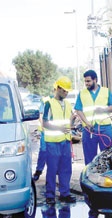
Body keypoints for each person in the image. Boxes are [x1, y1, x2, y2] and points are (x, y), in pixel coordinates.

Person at [43, 76, 76, 205]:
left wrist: (73, 120)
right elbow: (45, 123)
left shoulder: (68, 104)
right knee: (52, 169)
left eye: (67, 91)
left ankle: (65, 194)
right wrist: (60, 128)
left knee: (66, 169)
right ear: (57, 88)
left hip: (65, 141)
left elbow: (69, 121)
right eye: (64, 90)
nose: (66, 93)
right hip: (53, 142)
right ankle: (50, 195)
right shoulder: (49, 104)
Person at [74, 70, 112, 165]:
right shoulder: (82, 93)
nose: (86, 84)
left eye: (88, 81)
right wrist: (87, 123)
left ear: (95, 80)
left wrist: (104, 110)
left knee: (108, 155)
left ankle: (107, 176)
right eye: (85, 81)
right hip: (89, 129)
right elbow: (78, 110)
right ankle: (90, 177)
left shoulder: (106, 91)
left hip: (105, 128)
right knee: (89, 157)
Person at [33, 86, 55, 182]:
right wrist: (44, 127)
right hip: (46, 131)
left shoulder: (63, 102)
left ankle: (53, 173)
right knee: (43, 151)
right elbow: (41, 114)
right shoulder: (46, 100)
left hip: (57, 131)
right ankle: (39, 170)